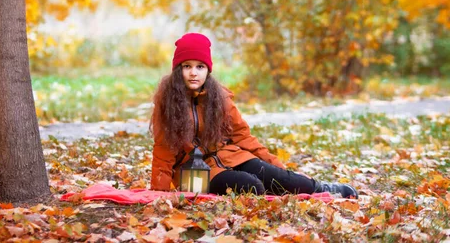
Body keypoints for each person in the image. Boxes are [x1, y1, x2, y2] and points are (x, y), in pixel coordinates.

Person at [150, 33, 358, 198]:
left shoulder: (219, 98)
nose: (194, 73)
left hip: (230, 156)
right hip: (196, 172)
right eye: (187, 66)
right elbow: (163, 149)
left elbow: (243, 136)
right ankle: (256, 184)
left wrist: (278, 168)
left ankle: (323, 188)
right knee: (252, 187)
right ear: (178, 70)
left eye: (200, 66)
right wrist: (160, 192)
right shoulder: (168, 102)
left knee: (282, 180)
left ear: (208, 70)